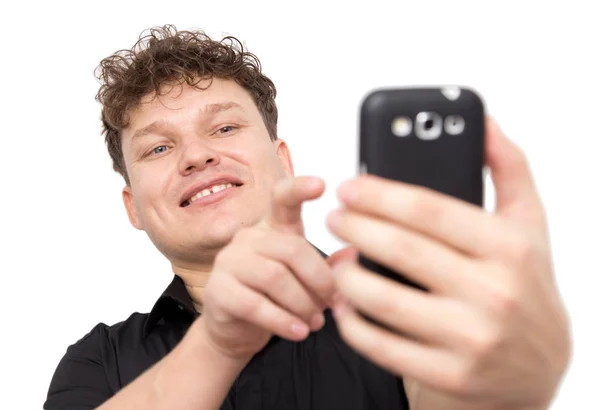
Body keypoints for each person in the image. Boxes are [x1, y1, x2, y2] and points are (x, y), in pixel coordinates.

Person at [44, 25, 571, 410]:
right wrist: (219, 344)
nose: (196, 156)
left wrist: (498, 393)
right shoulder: (97, 361)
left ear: (284, 162)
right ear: (133, 208)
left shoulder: (397, 314)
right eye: (158, 148)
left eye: (224, 129)